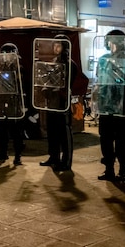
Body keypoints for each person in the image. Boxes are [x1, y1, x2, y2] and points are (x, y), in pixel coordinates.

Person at [95, 30, 125, 181]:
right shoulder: (103, 59)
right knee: (105, 139)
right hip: (106, 106)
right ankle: (109, 169)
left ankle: (123, 169)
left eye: (114, 41)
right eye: (111, 41)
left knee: (121, 140)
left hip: (122, 107)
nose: (112, 44)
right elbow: (99, 79)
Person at [39, 35, 78, 171]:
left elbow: (67, 83)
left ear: (64, 47)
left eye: (59, 45)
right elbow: (48, 79)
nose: (56, 48)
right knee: (52, 131)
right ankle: (53, 157)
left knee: (64, 132)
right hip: (51, 102)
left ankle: (66, 160)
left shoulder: (69, 63)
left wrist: (57, 88)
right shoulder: (54, 62)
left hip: (62, 102)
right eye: (54, 45)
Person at [0, 43, 25, 165]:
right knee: (2, 129)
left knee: (16, 131)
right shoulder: (1, 66)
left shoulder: (18, 67)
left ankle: (18, 155)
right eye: (3, 54)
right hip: (2, 100)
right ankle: (3, 152)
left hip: (13, 102)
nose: (5, 56)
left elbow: (18, 83)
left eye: (7, 53)